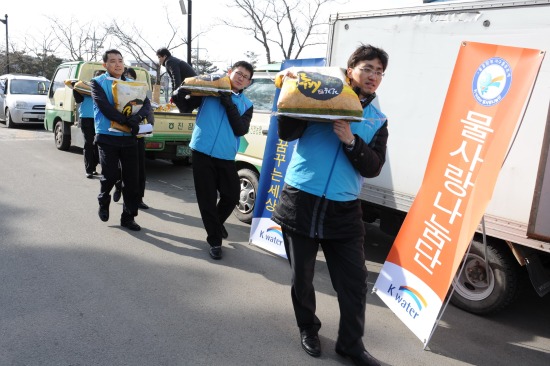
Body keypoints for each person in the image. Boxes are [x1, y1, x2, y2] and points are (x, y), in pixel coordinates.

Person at [271, 44, 389, 366]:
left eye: (379, 71)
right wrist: (289, 92)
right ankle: (307, 327)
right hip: (301, 201)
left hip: (344, 210)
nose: (373, 76)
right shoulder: (318, 96)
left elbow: (373, 166)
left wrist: (351, 141)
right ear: (350, 70)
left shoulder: (377, 118)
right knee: (302, 277)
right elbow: (287, 132)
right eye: (368, 68)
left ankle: (351, 345)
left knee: (353, 284)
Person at [175, 61, 254, 260]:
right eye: (238, 73)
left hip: (225, 155)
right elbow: (186, 106)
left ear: (248, 83)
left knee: (232, 195)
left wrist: (227, 100)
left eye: (245, 77)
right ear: (230, 73)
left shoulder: (247, 105)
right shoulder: (209, 92)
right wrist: (178, 95)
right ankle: (215, 240)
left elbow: (240, 129)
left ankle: (216, 226)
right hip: (201, 150)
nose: (241, 78)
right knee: (207, 199)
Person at [91, 49, 152, 231]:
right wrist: (127, 120)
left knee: (132, 180)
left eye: (120, 60)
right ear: (105, 65)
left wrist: (137, 119)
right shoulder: (97, 83)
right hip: (107, 136)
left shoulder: (133, 84)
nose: (117, 64)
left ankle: (128, 217)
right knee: (109, 175)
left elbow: (146, 104)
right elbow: (104, 107)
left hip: (129, 137)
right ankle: (103, 199)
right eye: (112, 61)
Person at [113, 67, 150, 210]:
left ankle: (139, 198)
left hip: (137, 133)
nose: (129, 80)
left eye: (131, 78)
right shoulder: (116, 92)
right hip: (120, 133)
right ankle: (118, 186)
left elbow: (147, 108)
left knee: (140, 169)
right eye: (126, 77)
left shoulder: (139, 93)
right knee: (120, 168)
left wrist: (142, 120)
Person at [73, 69, 105, 178]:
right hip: (86, 118)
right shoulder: (85, 88)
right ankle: (89, 169)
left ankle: (94, 167)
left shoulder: (105, 89)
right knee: (88, 143)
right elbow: (78, 100)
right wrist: (75, 89)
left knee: (97, 144)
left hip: (99, 119)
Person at [156, 47, 197, 113]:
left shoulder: (169, 61)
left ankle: (185, 115)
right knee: (186, 105)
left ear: (165, 56)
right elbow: (174, 80)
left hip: (191, 86)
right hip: (193, 86)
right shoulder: (173, 60)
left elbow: (176, 79)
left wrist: (174, 94)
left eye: (159, 57)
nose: (159, 60)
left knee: (176, 98)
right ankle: (186, 114)